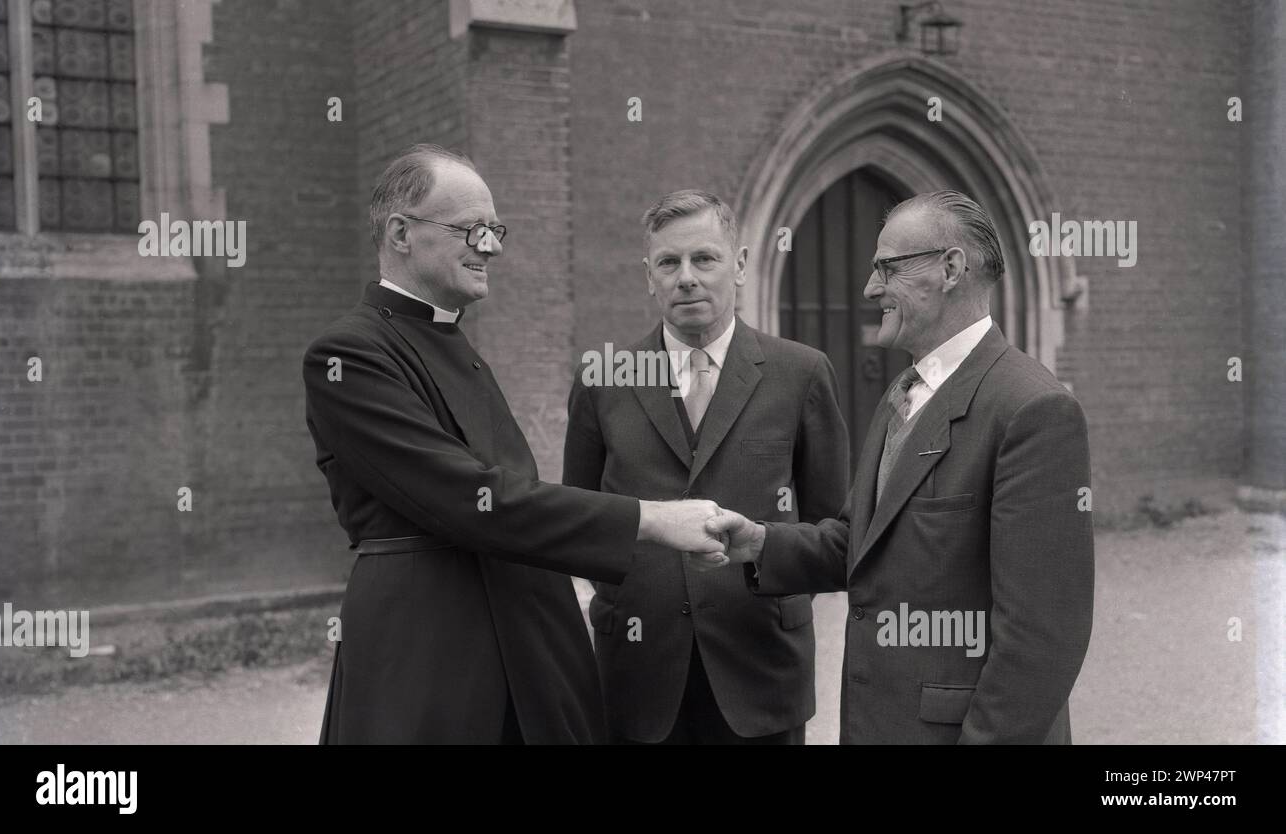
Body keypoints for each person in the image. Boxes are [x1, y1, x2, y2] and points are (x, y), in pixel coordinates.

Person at [303, 144, 725, 744]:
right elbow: (469, 498)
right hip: (429, 652)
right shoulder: (348, 355)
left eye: (495, 230)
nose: (491, 247)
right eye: (472, 229)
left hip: (527, 644)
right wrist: (650, 519)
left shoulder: (455, 343)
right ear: (401, 232)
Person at [709, 190, 1094, 744]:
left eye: (887, 268)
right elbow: (861, 544)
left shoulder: (1033, 409)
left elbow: (1043, 636)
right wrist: (758, 543)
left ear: (951, 269)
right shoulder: (906, 390)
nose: (870, 289)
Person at [563, 190, 848, 744]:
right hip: (637, 674)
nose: (686, 277)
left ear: (739, 266)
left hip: (761, 670)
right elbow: (582, 520)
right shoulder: (604, 379)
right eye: (669, 262)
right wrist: (635, 596)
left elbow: (834, 533)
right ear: (649, 276)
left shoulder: (802, 374)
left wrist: (768, 575)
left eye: (705, 259)